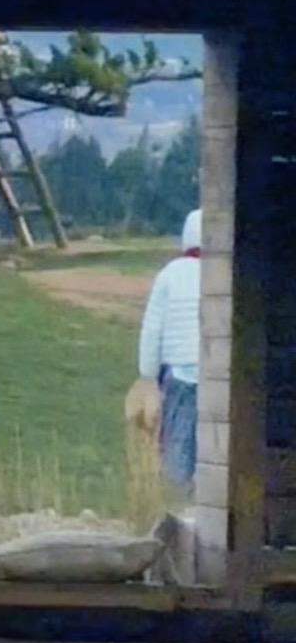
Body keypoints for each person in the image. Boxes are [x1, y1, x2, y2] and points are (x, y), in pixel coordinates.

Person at [137, 211, 204, 494]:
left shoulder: (169, 274)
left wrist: (147, 373)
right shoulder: (226, 271)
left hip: (178, 371)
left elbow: (152, 328)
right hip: (216, 372)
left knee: (177, 437)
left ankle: (177, 497)